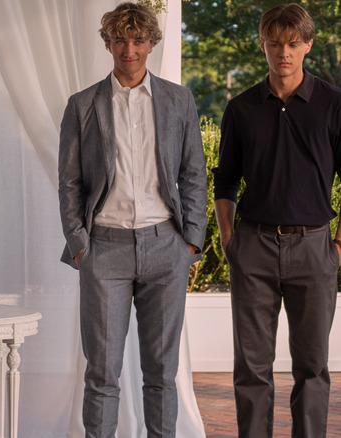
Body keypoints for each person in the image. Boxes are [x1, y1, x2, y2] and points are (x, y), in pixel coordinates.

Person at [57, 3, 207, 436]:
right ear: (108, 43)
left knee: (162, 373)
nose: (129, 49)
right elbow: (70, 183)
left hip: (167, 248)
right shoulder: (82, 105)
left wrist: (190, 242)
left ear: (152, 44)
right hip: (104, 251)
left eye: (139, 40)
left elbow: (192, 173)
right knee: (102, 374)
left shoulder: (179, 100)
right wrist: (81, 245)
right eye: (120, 40)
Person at [214, 4, 339, 437]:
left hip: (315, 248)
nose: (283, 53)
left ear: (307, 44)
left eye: (292, 44)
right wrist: (231, 241)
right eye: (274, 43)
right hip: (254, 247)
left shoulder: (333, 104)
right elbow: (225, 181)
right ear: (263, 45)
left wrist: (339, 247)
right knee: (251, 367)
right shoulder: (241, 108)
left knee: (312, 367)